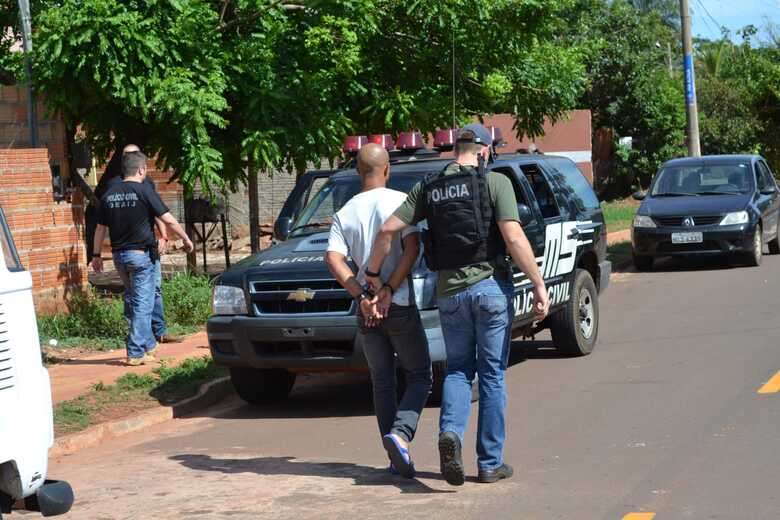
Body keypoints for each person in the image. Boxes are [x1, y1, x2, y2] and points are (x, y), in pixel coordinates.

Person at [366, 124, 551, 486]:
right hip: (491, 290)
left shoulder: (428, 187)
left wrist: (375, 277)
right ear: (483, 152)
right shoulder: (495, 182)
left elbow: (388, 230)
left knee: (458, 370)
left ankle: (449, 434)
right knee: (493, 374)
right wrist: (538, 283)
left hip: (449, 293)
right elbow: (513, 237)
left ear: (456, 150)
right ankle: (489, 462)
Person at [325, 143, 432, 479]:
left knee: (382, 382)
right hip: (397, 304)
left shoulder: (345, 212)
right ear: (387, 169)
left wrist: (362, 295)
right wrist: (388, 288)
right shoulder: (400, 203)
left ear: (358, 172)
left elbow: (333, 258)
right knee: (420, 375)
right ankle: (400, 435)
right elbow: (412, 249)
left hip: (366, 310)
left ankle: (392, 455)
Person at [91, 150, 194, 366]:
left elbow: (100, 229)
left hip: (119, 258)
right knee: (142, 305)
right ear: (141, 169)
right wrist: (185, 238)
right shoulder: (144, 190)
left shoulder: (109, 194)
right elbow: (168, 219)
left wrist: (96, 254)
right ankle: (136, 351)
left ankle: (148, 343)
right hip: (140, 257)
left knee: (137, 300)